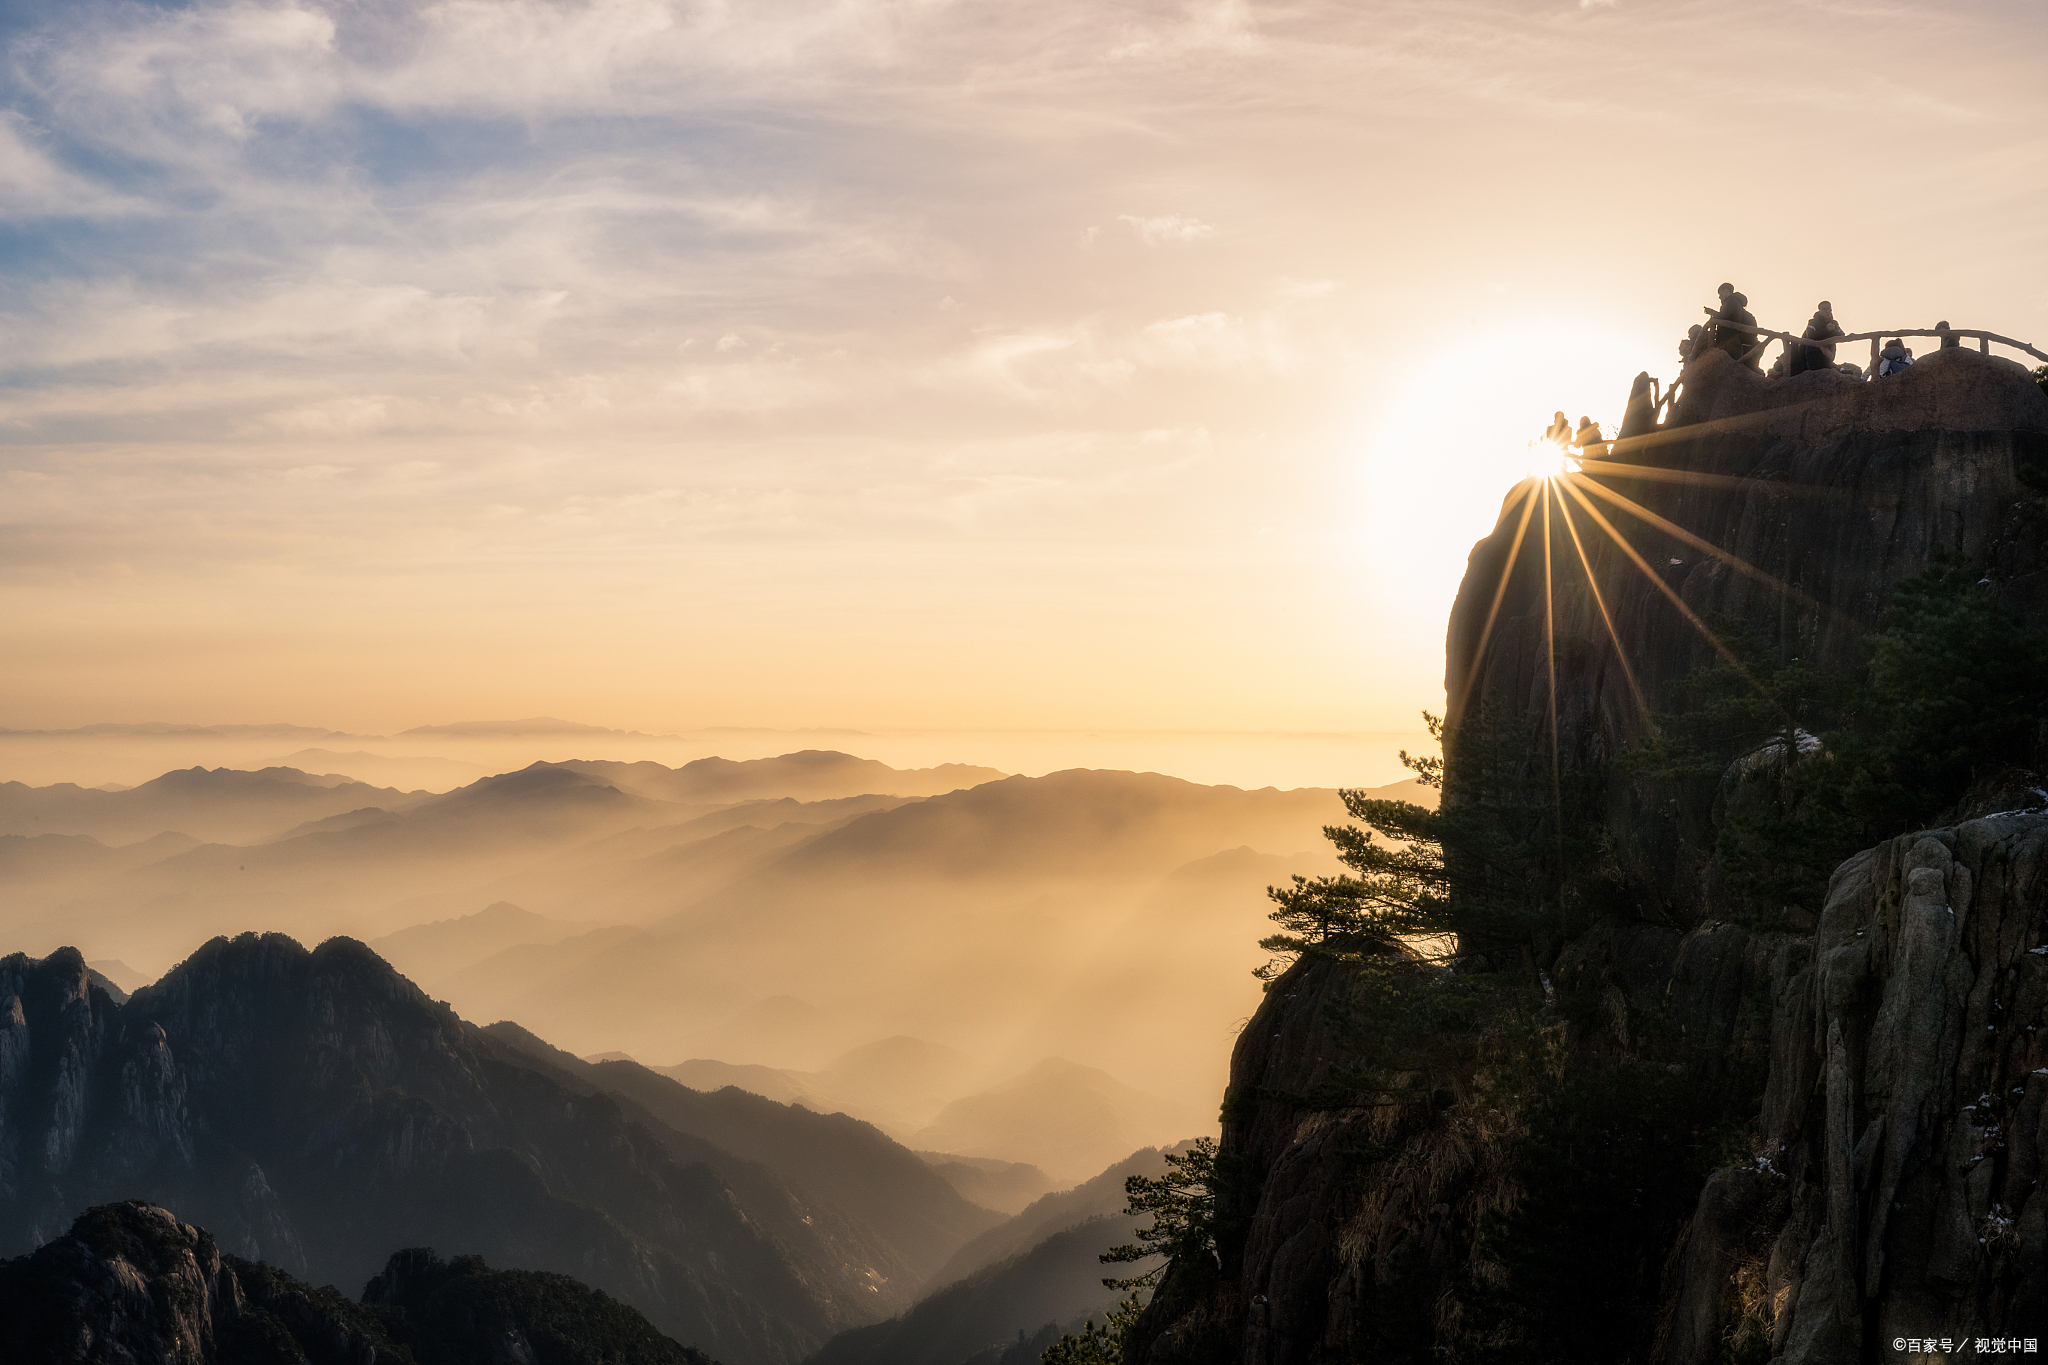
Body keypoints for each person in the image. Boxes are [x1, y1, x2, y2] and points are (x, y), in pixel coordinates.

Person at [1789, 300, 1844, 376]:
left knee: (1826, 375)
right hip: (1813, 354)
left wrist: (1833, 330)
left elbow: (1842, 336)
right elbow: (1811, 335)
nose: (1827, 311)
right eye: (1824, 309)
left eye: (1828, 308)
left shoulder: (1834, 323)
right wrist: (1826, 330)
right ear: (1820, 311)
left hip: (1829, 354)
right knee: (1814, 375)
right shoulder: (1813, 322)